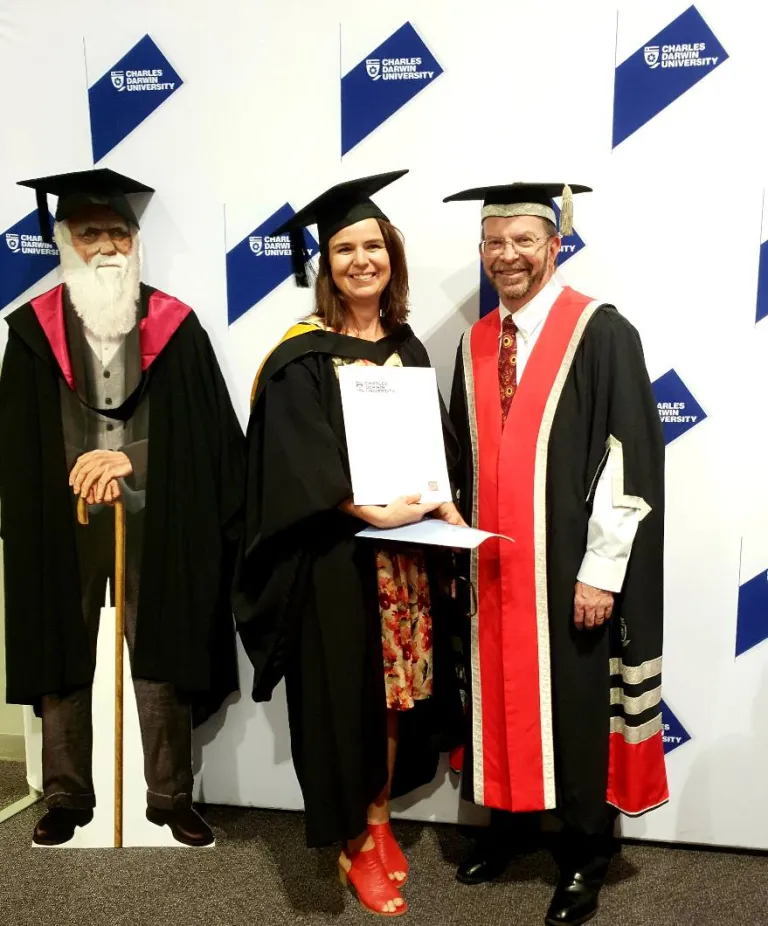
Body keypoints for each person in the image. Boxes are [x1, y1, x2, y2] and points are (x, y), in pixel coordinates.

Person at [235, 170, 464, 916]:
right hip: (335, 561)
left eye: (373, 245)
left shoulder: (406, 346)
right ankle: (353, 845)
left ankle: (379, 818)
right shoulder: (302, 355)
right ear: (324, 265)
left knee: (397, 697)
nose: (362, 259)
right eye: (344, 249)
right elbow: (292, 463)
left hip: (405, 560)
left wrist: (444, 500)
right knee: (347, 703)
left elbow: (433, 444)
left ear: (391, 255)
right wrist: (360, 505)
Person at [444, 182, 668, 925]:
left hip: (567, 570)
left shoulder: (599, 331)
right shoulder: (477, 341)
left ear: (555, 243)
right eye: (494, 242)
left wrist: (600, 572)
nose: (507, 255)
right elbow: (455, 458)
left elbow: (626, 459)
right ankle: (506, 827)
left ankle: (584, 855)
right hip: (493, 573)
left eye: (523, 240)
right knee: (500, 702)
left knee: (573, 709)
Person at [0, 169, 243, 847]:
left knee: (162, 644)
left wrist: (130, 456)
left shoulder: (175, 326)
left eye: (118, 233)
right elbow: (17, 443)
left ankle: (170, 796)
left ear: (135, 243)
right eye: (89, 233)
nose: (106, 247)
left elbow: (207, 438)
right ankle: (68, 795)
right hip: (62, 521)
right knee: (62, 646)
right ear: (66, 244)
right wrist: (75, 468)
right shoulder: (30, 332)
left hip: (157, 520)